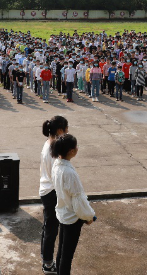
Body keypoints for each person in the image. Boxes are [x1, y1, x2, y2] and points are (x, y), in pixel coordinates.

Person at [51, 134, 95, 275]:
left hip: (63, 213)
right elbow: (78, 200)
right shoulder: (69, 172)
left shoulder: (56, 165)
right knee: (67, 255)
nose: (77, 149)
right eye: (76, 146)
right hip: (72, 217)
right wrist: (89, 216)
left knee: (61, 251)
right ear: (71, 151)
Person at [40, 116, 69, 274]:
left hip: (46, 189)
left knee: (47, 227)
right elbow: (57, 176)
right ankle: (48, 263)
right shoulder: (53, 149)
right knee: (51, 229)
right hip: (51, 192)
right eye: (66, 128)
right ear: (59, 130)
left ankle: (45, 257)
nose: (68, 130)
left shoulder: (49, 142)